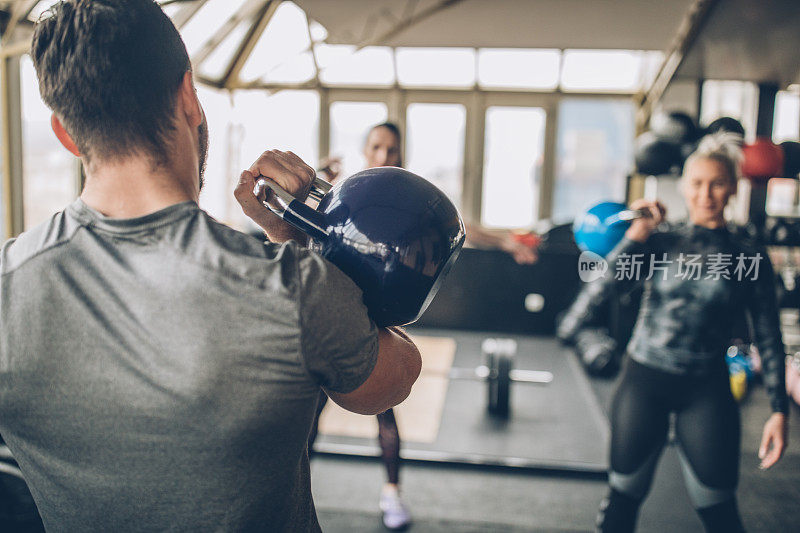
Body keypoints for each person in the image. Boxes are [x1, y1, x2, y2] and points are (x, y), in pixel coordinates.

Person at [0, 1, 421, 532]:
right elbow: (394, 380)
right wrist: (303, 238)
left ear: (64, 131)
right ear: (188, 98)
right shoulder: (292, 287)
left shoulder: (5, 290)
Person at [557, 133, 788, 533]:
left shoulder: (748, 255)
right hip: (644, 381)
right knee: (622, 502)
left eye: (717, 183)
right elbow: (590, 301)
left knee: (719, 512)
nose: (706, 194)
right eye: (697, 183)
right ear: (684, 186)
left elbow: (768, 335)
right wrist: (635, 237)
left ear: (733, 187)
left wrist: (779, 409)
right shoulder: (662, 241)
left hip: (707, 389)